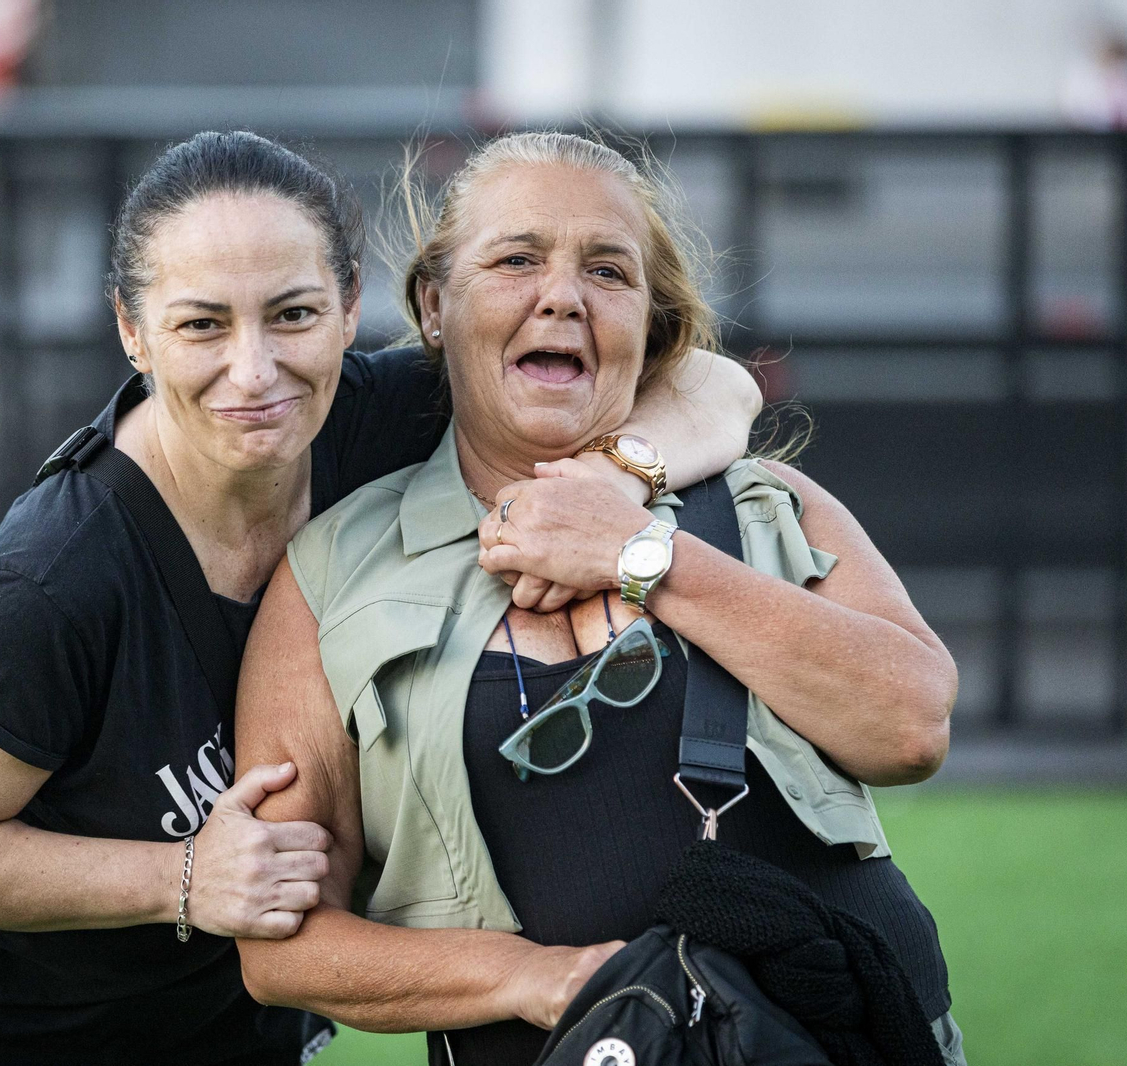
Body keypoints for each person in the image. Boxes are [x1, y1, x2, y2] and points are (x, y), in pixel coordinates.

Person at [0, 130, 763, 1066]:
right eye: (202, 324)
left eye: (293, 314)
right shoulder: (58, 578)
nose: (256, 371)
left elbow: (711, 383)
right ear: (132, 331)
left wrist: (615, 480)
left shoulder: (379, 415)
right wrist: (183, 878)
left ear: (351, 309)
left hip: (228, 1034)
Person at [234, 131, 967, 1066]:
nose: (563, 296)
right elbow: (281, 947)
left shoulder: (760, 503)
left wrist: (640, 551)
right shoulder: (331, 571)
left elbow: (910, 729)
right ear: (432, 304)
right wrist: (538, 981)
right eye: (516, 260)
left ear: (650, 322)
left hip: (846, 1038)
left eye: (608, 272)